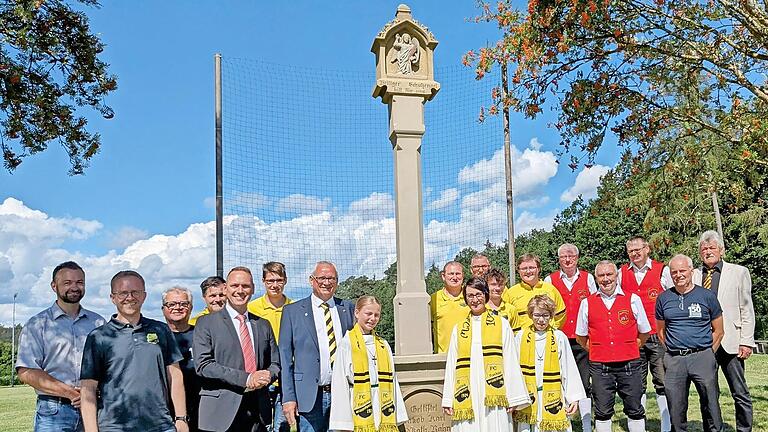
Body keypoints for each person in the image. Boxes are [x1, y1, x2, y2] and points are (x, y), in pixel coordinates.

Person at [80, 270, 188, 432]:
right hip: (114, 427)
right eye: (123, 293)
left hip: (160, 426)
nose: (129, 297)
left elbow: (175, 375)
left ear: (144, 296)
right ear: (113, 298)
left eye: (135, 292)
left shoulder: (161, 330)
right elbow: (88, 388)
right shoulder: (99, 337)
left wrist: (181, 418)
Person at [16, 261, 105, 432]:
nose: (74, 287)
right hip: (54, 411)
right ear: (53, 286)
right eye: (67, 282)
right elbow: (26, 372)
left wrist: (91, 395)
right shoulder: (37, 324)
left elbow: (109, 366)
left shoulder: (98, 323)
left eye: (79, 282)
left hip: (95, 409)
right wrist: (72, 394)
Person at [193, 266, 280, 432]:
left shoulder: (263, 325)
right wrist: (247, 379)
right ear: (225, 289)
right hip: (220, 413)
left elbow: (275, 363)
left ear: (253, 289)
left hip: (257, 412)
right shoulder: (205, 323)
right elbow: (203, 365)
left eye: (245, 286)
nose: (240, 290)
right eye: (235, 286)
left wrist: (269, 374)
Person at [442, 277, 530, 431]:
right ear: (465, 298)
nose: (475, 300)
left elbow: (510, 360)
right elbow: (452, 365)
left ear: (486, 295)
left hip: (495, 393)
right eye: (470, 296)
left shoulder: (501, 324)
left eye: (478, 294)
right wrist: (449, 399)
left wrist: (514, 396)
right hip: (467, 391)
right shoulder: (459, 329)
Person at [279, 261, 356, 432]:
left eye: (331, 278)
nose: (326, 282)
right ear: (311, 280)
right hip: (308, 398)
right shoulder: (292, 312)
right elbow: (285, 359)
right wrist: (288, 398)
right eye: (322, 278)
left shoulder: (348, 309)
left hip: (343, 396)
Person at [575, 261, 650, 432]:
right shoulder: (587, 303)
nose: (606, 279)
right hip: (600, 366)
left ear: (616, 276)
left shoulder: (633, 299)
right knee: (602, 410)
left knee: (635, 408)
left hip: (630, 364)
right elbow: (580, 336)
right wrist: (598, 350)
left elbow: (644, 332)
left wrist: (630, 347)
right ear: (596, 278)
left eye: (609, 274)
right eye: (601, 275)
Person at [693, 230, 755, 432]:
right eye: (704, 249)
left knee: (739, 392)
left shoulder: (739, 272)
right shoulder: (693, 274)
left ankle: (744, 429)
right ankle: (712, 429)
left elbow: (746, 308)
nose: (708, 251)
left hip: (732, 342)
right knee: (708, 393)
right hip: (704, 343)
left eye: (712, 248)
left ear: (721, 250)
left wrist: (746, 340)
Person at [656, 254, 724, 432]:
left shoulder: (707, 296)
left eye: (682, 270)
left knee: (711, 405)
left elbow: (719, 330)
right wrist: (672, 352)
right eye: (674, 272)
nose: (678, 275)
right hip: (675, 359)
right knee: (676, 408)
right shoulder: (663, 298)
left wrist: (708, 353)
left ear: (691, 272)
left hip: (702, 356)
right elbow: (660, 331)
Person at [329, 295, 408, 431]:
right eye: (368, 313)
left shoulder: (383, 345)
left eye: (376, 315)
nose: (372, 319)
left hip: (383, 404)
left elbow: (393, 381)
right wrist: (343, 422)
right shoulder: (347, 344)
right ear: (357, 312)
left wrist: (398, 414)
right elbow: (340, 383)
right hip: (358, 405)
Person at [619, 236, 672, 431]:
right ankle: (638, 424)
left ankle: (666, 425)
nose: (635, 254)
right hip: (634, 337)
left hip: (658, 335)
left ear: (647, 249)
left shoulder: (662, 270)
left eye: (638, 249)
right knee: (636, 381)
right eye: (631, 251)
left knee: (662, 380)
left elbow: (673, 298)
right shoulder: (621, 273)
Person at [514, 295, 586, 432]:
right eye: (537, 315)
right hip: (528, 398)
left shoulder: (559, 337)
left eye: (545, 315)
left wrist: (574, 399)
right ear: (530, 314)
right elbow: (515, 370)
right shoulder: (521, 337)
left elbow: (569, 368)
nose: (541, 320)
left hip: (553, 396)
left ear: (551, 315)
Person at [544, 243, 596, 432]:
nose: (567, 260)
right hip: (559, 338)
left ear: (577, 258)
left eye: (571, 256)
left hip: (582, 339)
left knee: (584, 382)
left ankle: (585, 425)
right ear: (559, 259)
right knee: (559, 381)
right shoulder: (550, 280)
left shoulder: (588, 278)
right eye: (564, 257)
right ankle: (561, 422)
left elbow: (594, 305)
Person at [247, 262, 293, 431]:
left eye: (279, 280)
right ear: (263, 281)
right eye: (270, 281)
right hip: (261, 376)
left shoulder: (294, 308)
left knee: (283, 426)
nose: (275, 285)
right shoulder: (252, 308)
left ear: (285, 280)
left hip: (285, 378)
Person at [162, 286, 200, 432]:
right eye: (171, 304)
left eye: (183, 304)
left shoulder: (201, 335)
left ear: (190, 308)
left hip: (199, 407)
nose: (177, 308)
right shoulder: (156, 336)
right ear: (163, 308)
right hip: (165, 411)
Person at [502, 254, 566, 330]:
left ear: (538, 269)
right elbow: (504, 317)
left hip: (547, 338)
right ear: (518, 270)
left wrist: (553, 329)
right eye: (524, 268)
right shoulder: (510, 293)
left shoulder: (550, 289)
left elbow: (561, 314)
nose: (528, 271)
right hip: (521, 339)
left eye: (532, 268)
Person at [431, 261, 469, 353]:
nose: (455, 277)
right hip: (443, 357)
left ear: (463, 276)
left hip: (469, 356)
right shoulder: (433, 299)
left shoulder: (471, 296)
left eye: (458, 274)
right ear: (443, 276)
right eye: (451, 274)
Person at [483, 268, 520, 332]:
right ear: (486, 286)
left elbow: (516, 335)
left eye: (500, 284)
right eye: (493, 284)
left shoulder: (511, 309)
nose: (497, 288)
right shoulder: (480, 309)